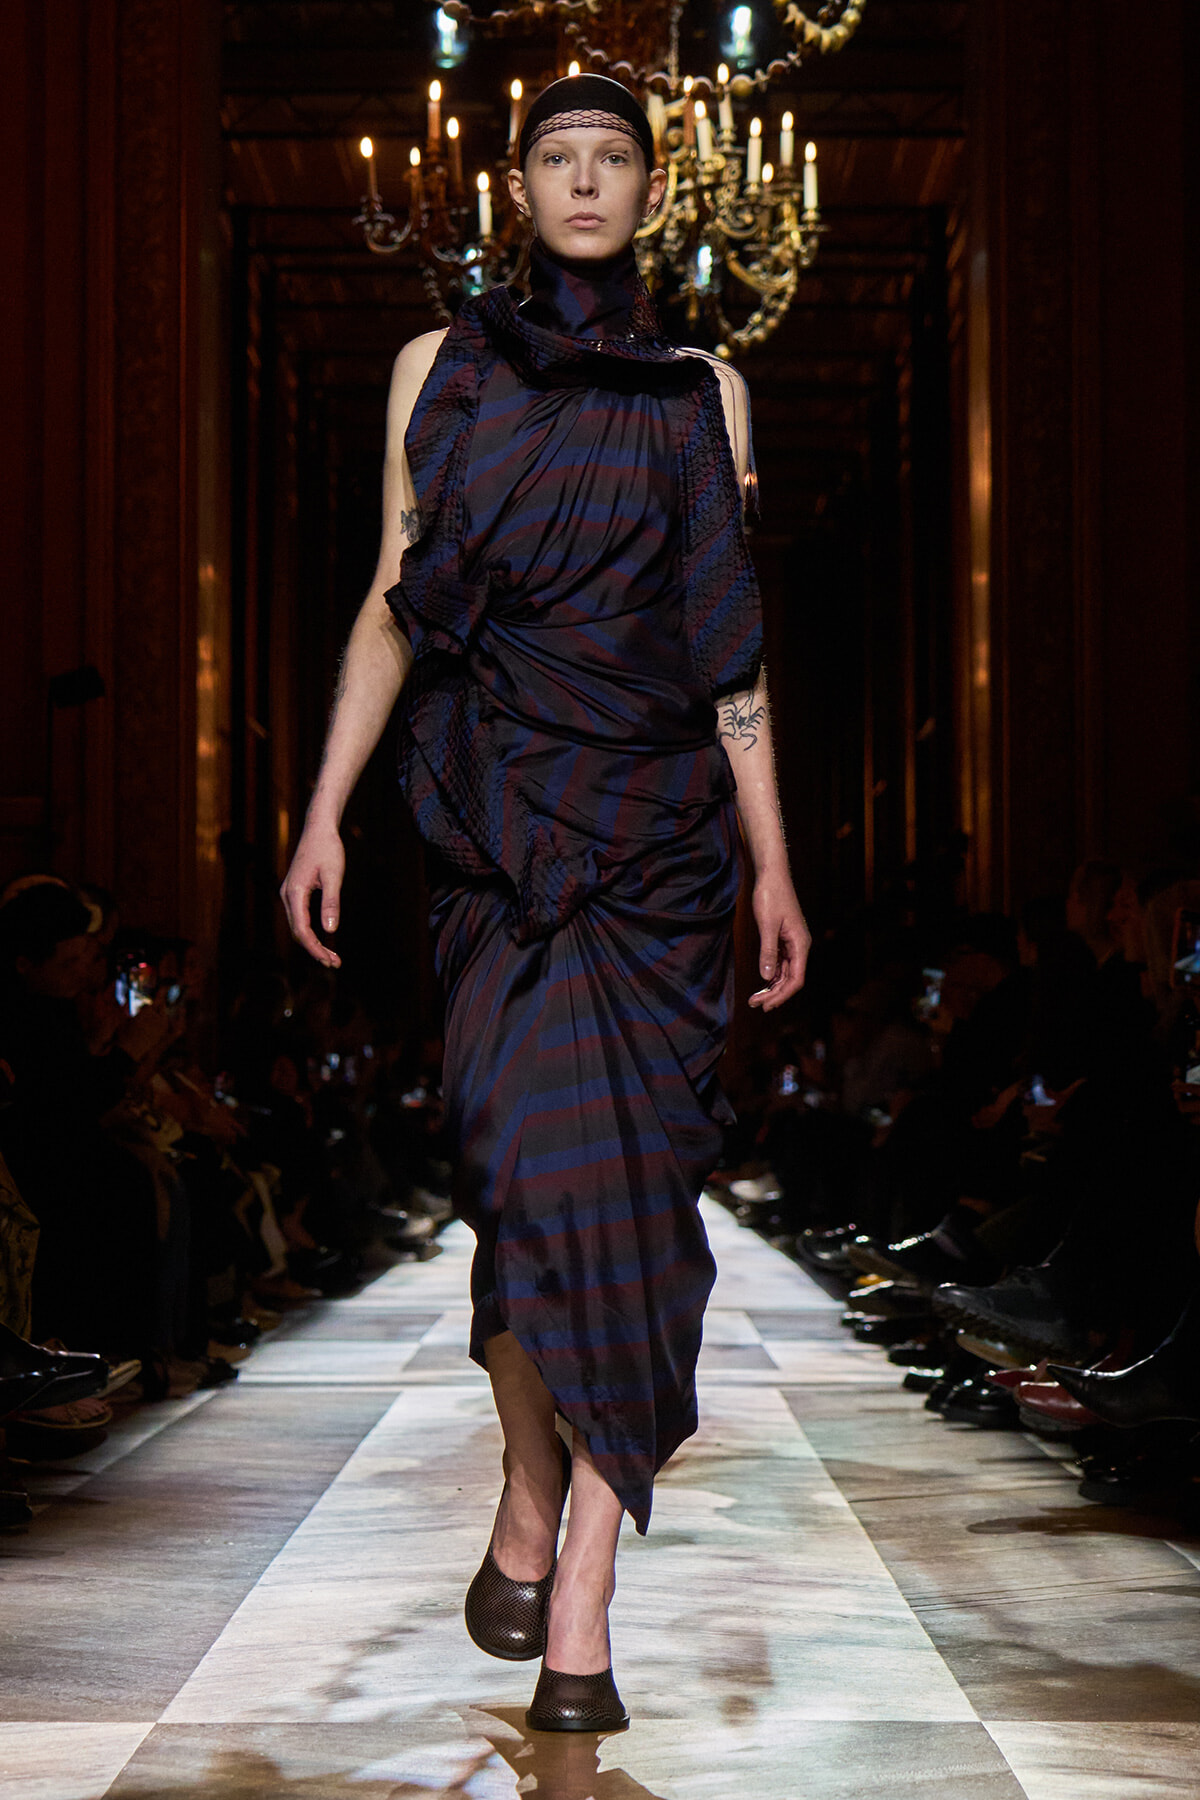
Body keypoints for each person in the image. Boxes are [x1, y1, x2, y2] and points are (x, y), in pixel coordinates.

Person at [281, 74, 809, 1732]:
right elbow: (393, 603)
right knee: (518, 1190)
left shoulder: (705, 395)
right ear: (517, 187)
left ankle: (581, 1576)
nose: (586, 183)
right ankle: (528, 1482)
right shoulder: (437, 375)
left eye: (614, 161)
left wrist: (774, 855)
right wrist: (324, 814)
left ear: (655, 193)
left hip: (659, 852)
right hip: (500, 838)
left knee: (639, 1217)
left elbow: (729, 648)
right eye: (558, 159)